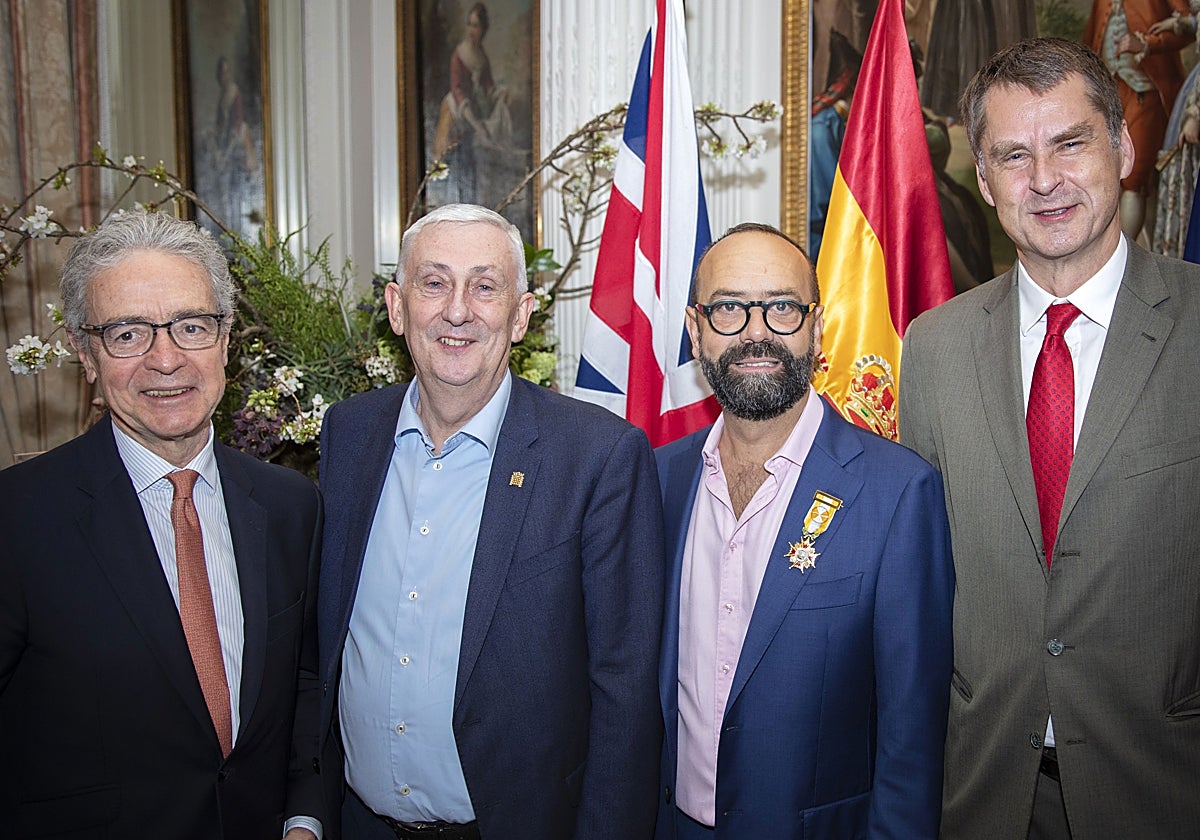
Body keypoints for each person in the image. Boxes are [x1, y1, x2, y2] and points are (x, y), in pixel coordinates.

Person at [900, 37, 1200, 838]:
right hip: (983, 791)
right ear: (986, 180)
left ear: (1124, 146)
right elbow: (923, 583)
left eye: (1069, 143)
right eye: (1012, 155)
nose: (1044, 180)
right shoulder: (931, 348)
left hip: (1165, 788)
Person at [317, 203, 663, 839]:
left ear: (521, 315)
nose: (457, 310)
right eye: (434, 283)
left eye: (484, 286)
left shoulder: (597, 457)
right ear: (397, 308)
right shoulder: (348, 434)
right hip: (356, 823)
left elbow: (627, 691)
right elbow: (322, 648)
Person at [0, 210, 323, 839]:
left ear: (227, 341)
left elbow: (305, 687)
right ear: (85, 354)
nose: (166, 359)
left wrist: (305, 819)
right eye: (127, 334)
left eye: (192, 326)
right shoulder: (17, 520)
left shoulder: (290, 505)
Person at [655, 222, 954, 839]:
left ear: (817, 327)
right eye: (730, 308)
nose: (757, 331)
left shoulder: (898, 493)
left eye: (783, 308)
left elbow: (913, 738)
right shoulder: (656, 480)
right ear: (695, 330)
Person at [1085, 0, 1193, 241]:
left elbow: (1190, 31)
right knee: (1113, 176)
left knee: (1134, 179)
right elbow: (1091, 39)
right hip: (1110, 93)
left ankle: (1123, 257)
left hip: (1147, 92)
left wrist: (1147, 43)